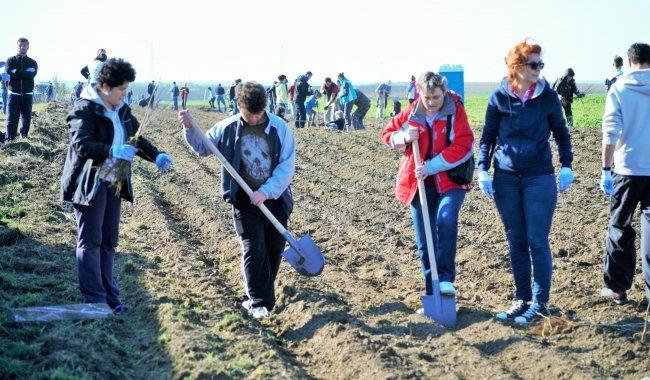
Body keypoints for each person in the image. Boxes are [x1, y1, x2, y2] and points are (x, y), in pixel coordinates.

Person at [60, 58, 173, 314]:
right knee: (91, 241)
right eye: (121, 89)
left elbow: (136, 138)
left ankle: (111, 298)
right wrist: (113, 150)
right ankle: (95, 300)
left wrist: (156, 155)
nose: (125, 94)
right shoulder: (84, 109)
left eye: (126, 88)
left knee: (109, 240)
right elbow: (82, 145)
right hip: (89, 182)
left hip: (114, 181)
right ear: (104, 86)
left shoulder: (121, 110)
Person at [178, 81, 296, 320]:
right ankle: (258, 302)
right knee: (254, 248)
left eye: (257, 113)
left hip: (274, 198)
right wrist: (190, 127)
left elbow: (287, 166)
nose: (253, 118)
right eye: (247, 114)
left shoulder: (279, 128)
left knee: (273, 251)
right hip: (244, 200)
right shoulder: (228, 127)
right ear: (238, 106)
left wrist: (267, 191)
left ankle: (255, 293)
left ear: (265, 107)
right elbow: (202, 146)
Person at [477, 38, 574, 324]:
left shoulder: (548, 97)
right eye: (533, 64)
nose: (539, 69)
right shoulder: (498, 97)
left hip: (538, 176)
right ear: (516, 67)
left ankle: (540, 302)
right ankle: (522, 299)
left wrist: (566, 165)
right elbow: (488, 138)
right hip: (505, 178)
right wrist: (483, 169)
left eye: (541, 64)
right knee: (516, 240)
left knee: (536, 239)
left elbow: (561, 133)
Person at [382, 72, 474, 315]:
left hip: (450, 180)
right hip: (419, 184)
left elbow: (463, 145)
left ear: (444, 92)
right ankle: (433, 297)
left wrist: (431, 167)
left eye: (436, 97)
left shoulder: (455, 110)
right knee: (425, 241)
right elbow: (387, 135)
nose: (431, 102)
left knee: (446, 219)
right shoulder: (412, 112)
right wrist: (403, 136)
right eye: (426, 97)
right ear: (419, 95)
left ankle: (445, 280)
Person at [599, 42, 650, 306]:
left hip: (627, 170)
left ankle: (618, 289)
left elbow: (611, 133)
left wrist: (605, 170)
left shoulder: (619, 88)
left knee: (620, 226)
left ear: (629, 62)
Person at [4, 37, 38, 142]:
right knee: (11, 119)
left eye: (24, 45)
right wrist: (25, 74)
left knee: (26, 119)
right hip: (14, 94)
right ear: (17, 46)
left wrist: (16, 72)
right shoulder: (10, 61)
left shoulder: (33, 62)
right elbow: (9, 75)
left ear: (28, 46)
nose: (22, 47)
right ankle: (10, 140)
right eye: (20, 45)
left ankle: (24, 139)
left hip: (27, 94)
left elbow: (32, 75)